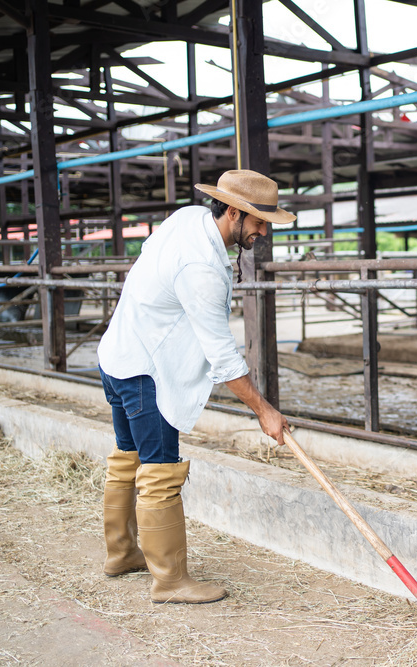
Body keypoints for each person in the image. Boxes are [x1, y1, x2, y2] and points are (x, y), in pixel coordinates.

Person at [97, 169, 294, 604]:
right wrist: (264, 411)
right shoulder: (202, 266)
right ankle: (169, 581)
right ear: (232, 211)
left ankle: (122, 553)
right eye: (259, 221)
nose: (263, 231)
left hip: (118, 353)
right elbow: (223, 356)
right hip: (147, 370)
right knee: (161, 472)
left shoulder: (188, 219)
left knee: (127, 458)